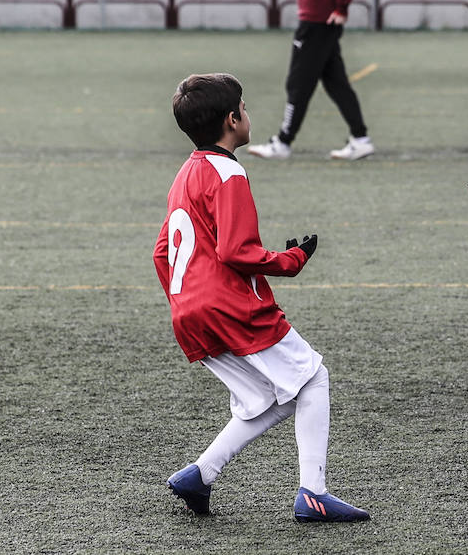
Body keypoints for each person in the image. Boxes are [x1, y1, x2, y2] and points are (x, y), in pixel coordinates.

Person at [155, 72, 369, 523]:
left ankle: (200, 474)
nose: (249, 115)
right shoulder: (229, 171)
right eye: (246, 108)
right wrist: (291, 259)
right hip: (227, 306)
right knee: (313, 377)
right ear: (233, 120)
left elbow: (161, 252)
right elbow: (236, 251)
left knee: (274, 397)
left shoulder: (187, 171)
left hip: (188, 310)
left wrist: (186, 298)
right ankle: (314, 493)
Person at [248, 0, 373, 161]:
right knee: (336, 83)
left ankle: (282, 142)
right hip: (318, 23)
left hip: (317, 24)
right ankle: (361, 139)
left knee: (298, 84)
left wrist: (341, 9)